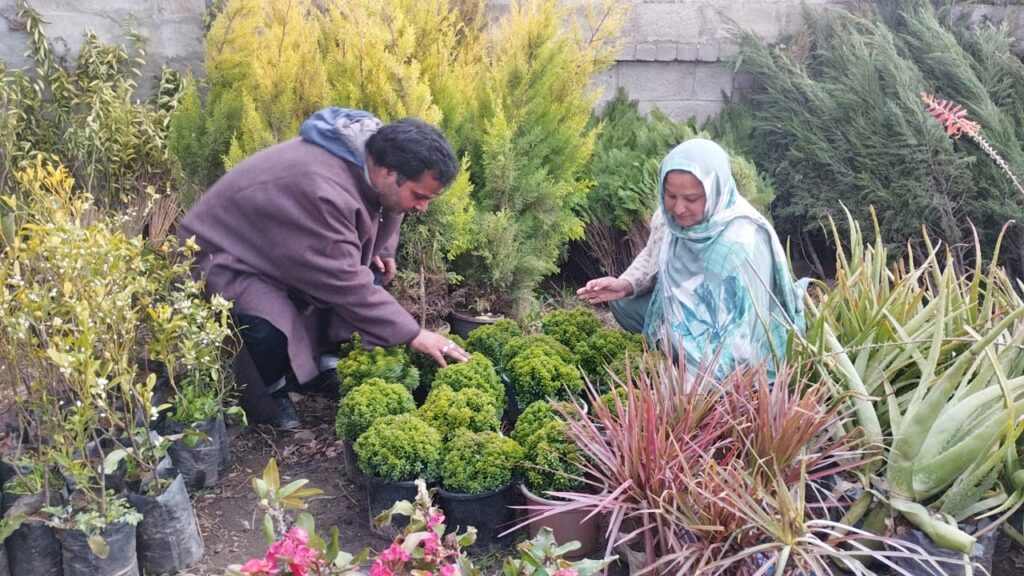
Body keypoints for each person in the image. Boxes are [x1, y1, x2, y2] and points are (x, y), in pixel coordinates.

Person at [179, 108, 470, 428]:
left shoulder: (377, 150)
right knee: (267, 322)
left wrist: (384, 247)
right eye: (418, 196)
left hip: (281, 240)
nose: (423, 207)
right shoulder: (323, 189)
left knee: (368, 269)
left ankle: (319, 369)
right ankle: (272, 390)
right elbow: (344, 283)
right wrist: (414, 334)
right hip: (229, 253)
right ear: (388, 172)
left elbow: (393, 209)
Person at [577, 138, 805, 379]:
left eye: (691, 199)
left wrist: (691, 391)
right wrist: (626, 284)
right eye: (670, 195)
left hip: (728, 334)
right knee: (624, 303)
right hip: (687, 314)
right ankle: (675, 353)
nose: (678, 208)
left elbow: (740, 333)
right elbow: (653, 253)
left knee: (710, 373)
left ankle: (691, 368)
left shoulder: (741, 241)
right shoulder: (668, 219)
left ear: (714, 190)